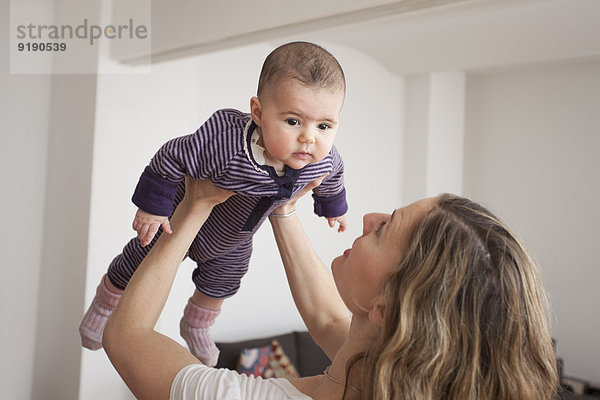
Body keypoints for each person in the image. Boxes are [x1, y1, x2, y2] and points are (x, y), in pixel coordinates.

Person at [103, 176, 559, 400]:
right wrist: (281, 208)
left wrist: (195, 203)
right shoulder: (382, 373)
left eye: (385, 230)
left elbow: (128, 338)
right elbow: (326, 317)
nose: (369, 219)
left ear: (385, 306)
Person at [80, 41, 349, 366]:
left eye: (324, 126)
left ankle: (196, 324)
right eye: (293, 121)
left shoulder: (320, 161)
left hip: (233, 239)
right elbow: (172, 155)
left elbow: (333, 177)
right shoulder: (226, 144)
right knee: (139, 258)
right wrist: (154, 206)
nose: (309, 137)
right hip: (179, 222)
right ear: (259, 113)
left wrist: (334, 207)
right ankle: (104, 304)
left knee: (227, 278)